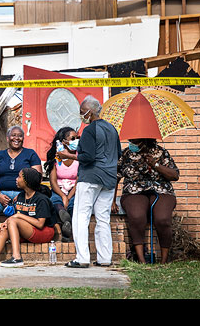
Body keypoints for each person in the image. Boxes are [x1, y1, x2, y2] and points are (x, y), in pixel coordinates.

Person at [65, 95, 121, 268]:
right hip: (109, 179)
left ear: (90, 112)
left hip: (90, 177)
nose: (81, 115)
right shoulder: (112, 128)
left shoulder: (89, 130)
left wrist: (68, 155)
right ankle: (105, 258)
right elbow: (118, 154)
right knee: (103, 218)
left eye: (82, 112)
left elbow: (87, 157)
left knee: (81, 216)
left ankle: (82, 258)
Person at [114, 138, 179, 264]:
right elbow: (115, 177)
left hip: (161, 190)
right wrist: (112, 200)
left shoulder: (161, 152)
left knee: (162, 219)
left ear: (144, 141)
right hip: (134, 190)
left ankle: (164, 260)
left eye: (135, 141)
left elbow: (175, 175)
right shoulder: (126, 154)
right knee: (137, 216)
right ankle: (141, 260)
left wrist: (155, 164)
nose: (131, 143)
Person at [0, 125, 42, 246]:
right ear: (7, 138)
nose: (16, 138)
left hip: (23, 194)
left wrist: (24, 194)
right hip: (2, 193)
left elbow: (37, 177)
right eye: (13, 135)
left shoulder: (30, 154)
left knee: (27, 210)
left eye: (20, 136)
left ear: (23, 138)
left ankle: (22, 237)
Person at [0, 168, 59, 268]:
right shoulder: (20, 196)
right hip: (28, 230)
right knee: (4, 229)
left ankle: (16, 257)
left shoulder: (41, 199)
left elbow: (40, 224)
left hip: (44, 232)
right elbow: (16, 220)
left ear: (27, 181)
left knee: (12, 220)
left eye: (19, 177)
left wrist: (18, 216)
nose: (16, 179)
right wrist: (5, 223)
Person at [44, 126, 79, 241]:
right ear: (64, 142)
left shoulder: (78, 156)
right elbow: (53, 181)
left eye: (77, 138)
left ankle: (68, 228)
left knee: (74, 205)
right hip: (58, 189)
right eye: (73, 138)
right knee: (54, 202)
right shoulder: (56, 157)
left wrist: (68, 197)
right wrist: (63, 196)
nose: (76, 141)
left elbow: (78, 181)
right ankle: (64, 218)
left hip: (75, 190)